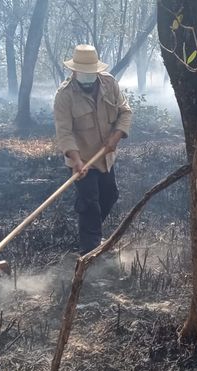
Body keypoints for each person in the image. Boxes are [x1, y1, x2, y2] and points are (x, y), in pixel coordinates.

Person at [54, 44, 132, 255]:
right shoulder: (64, 95)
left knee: (110, 196)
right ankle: (90, 253)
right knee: (89, 204)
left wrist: (116, 136)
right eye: (84, 74)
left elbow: (125, 112)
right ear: (74, 71)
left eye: (91, 73)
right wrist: (76, 159)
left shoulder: (109, 83)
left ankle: (93, 234)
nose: (88, 77)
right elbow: (64, 132)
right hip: (82, 160)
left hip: (105, 157)